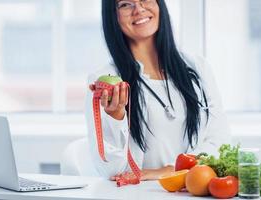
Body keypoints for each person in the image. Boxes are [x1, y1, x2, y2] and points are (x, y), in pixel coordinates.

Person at [86, 0, 231, 181]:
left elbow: (220, 142)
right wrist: (116, 118)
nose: (139, 9)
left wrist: (172, 171)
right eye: (125, 4)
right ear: (112, 16)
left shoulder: (198, 67)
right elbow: (111, 171)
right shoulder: (105, 83)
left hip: (193, 191)